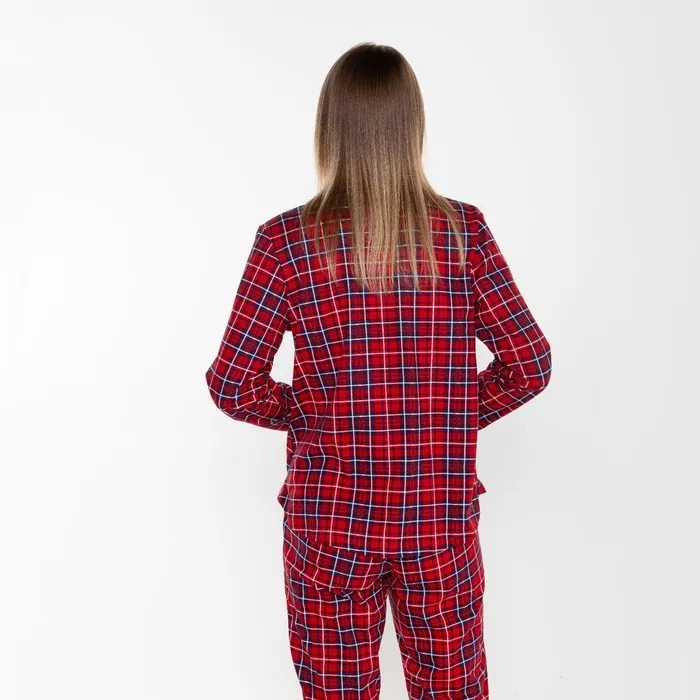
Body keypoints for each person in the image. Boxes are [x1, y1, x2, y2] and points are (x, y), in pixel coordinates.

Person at [205, 41, 552, 700]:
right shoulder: (463, 234)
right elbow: (529, 364)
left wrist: (315, 414)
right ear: (413, 126)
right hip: (438, 523)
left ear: (328, 129)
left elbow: (232, 384)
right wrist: (447, 417)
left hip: (330, 524)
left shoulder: (285, 242)